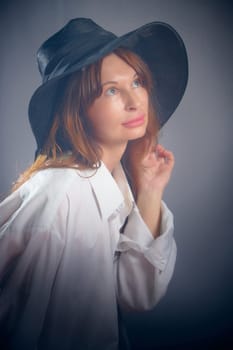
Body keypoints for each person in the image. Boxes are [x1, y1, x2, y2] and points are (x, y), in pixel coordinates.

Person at [0, 18, 188, 350]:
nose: (134, 100)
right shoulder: (61, 192)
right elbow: (15, 325)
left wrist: (150, 191)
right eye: (111, 90)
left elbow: (137, 296)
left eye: (137, 82)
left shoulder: (115, 185)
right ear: (78, 108)